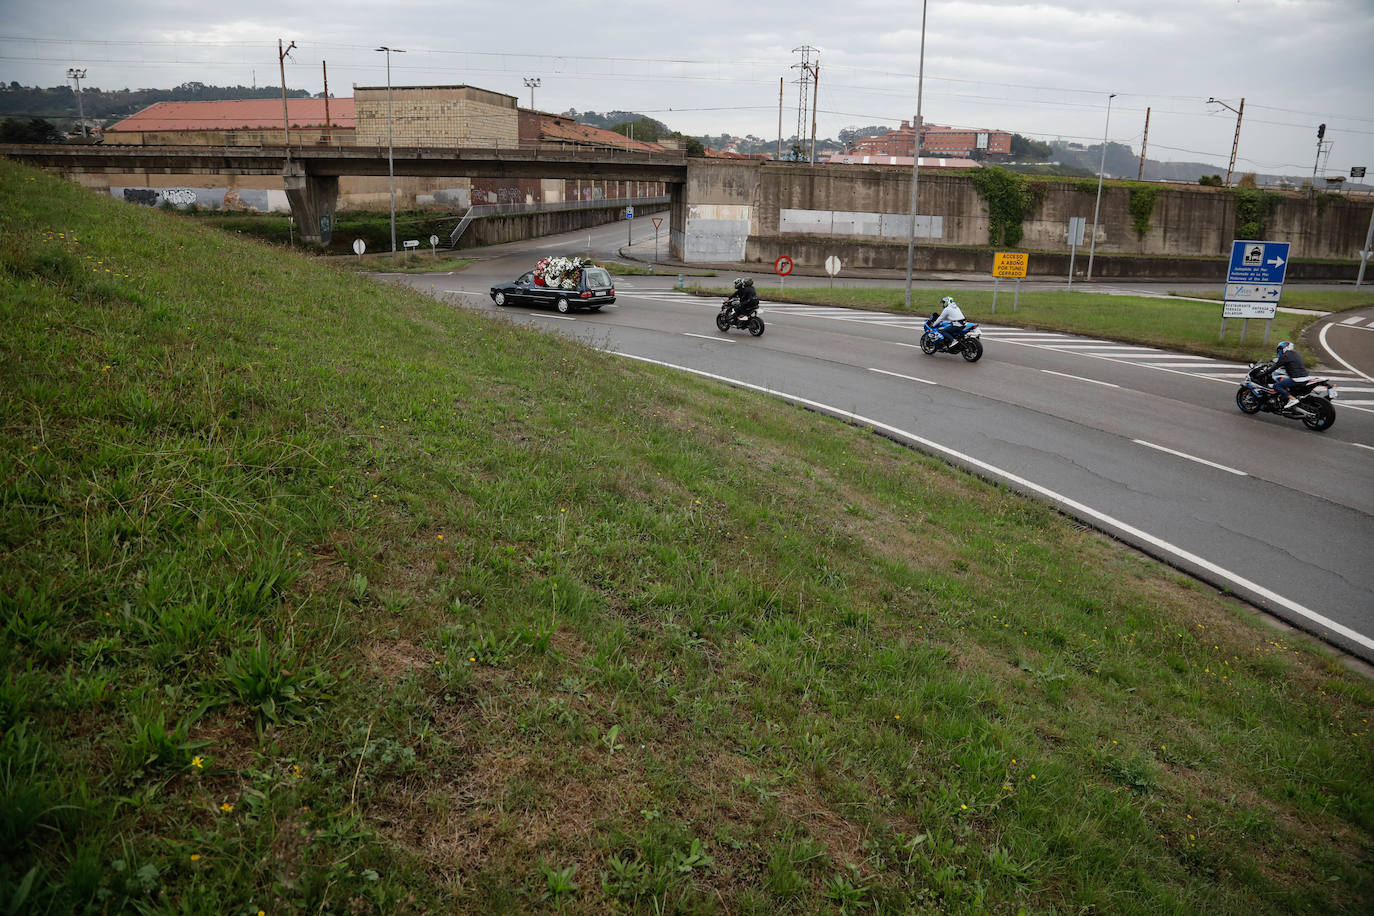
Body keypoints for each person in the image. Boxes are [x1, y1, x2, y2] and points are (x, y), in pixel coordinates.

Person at [1271, 340, 1311, 409]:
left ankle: (1292, 399)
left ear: (1285, 348)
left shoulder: (1285, 356)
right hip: (1306, 378)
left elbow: (1274, 367)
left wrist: (1263, 373)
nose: (1279, 351)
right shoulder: (1296, 354)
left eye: (1280, 349)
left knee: (1276, 386)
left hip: (1297, 379)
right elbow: (1292, 364)